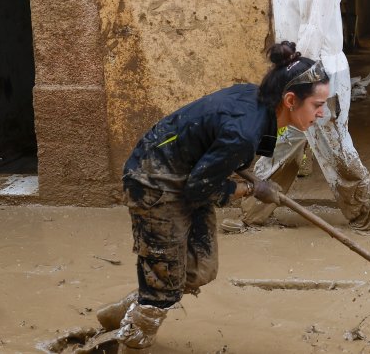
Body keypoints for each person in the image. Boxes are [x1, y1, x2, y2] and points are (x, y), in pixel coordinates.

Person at [98, 43, 329, 349]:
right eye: (316, 105)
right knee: (165, 285)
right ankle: (131, 340)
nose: (321, 113)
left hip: (188, 175)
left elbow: (207, 173)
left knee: (201, 269)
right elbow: (201, 189)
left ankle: (127, 311)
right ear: (290, 100)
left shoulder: (256, 100)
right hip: (154, 180)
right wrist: (253, 189)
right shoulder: (243, 133)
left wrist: (240, 176)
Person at [237, 0, 370, 234]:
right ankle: (252, 212)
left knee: (335, 151)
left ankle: (369, 222)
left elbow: (313, 33)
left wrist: (290, 73)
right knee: (277, 143)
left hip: (320, 77)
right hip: (294, 75)